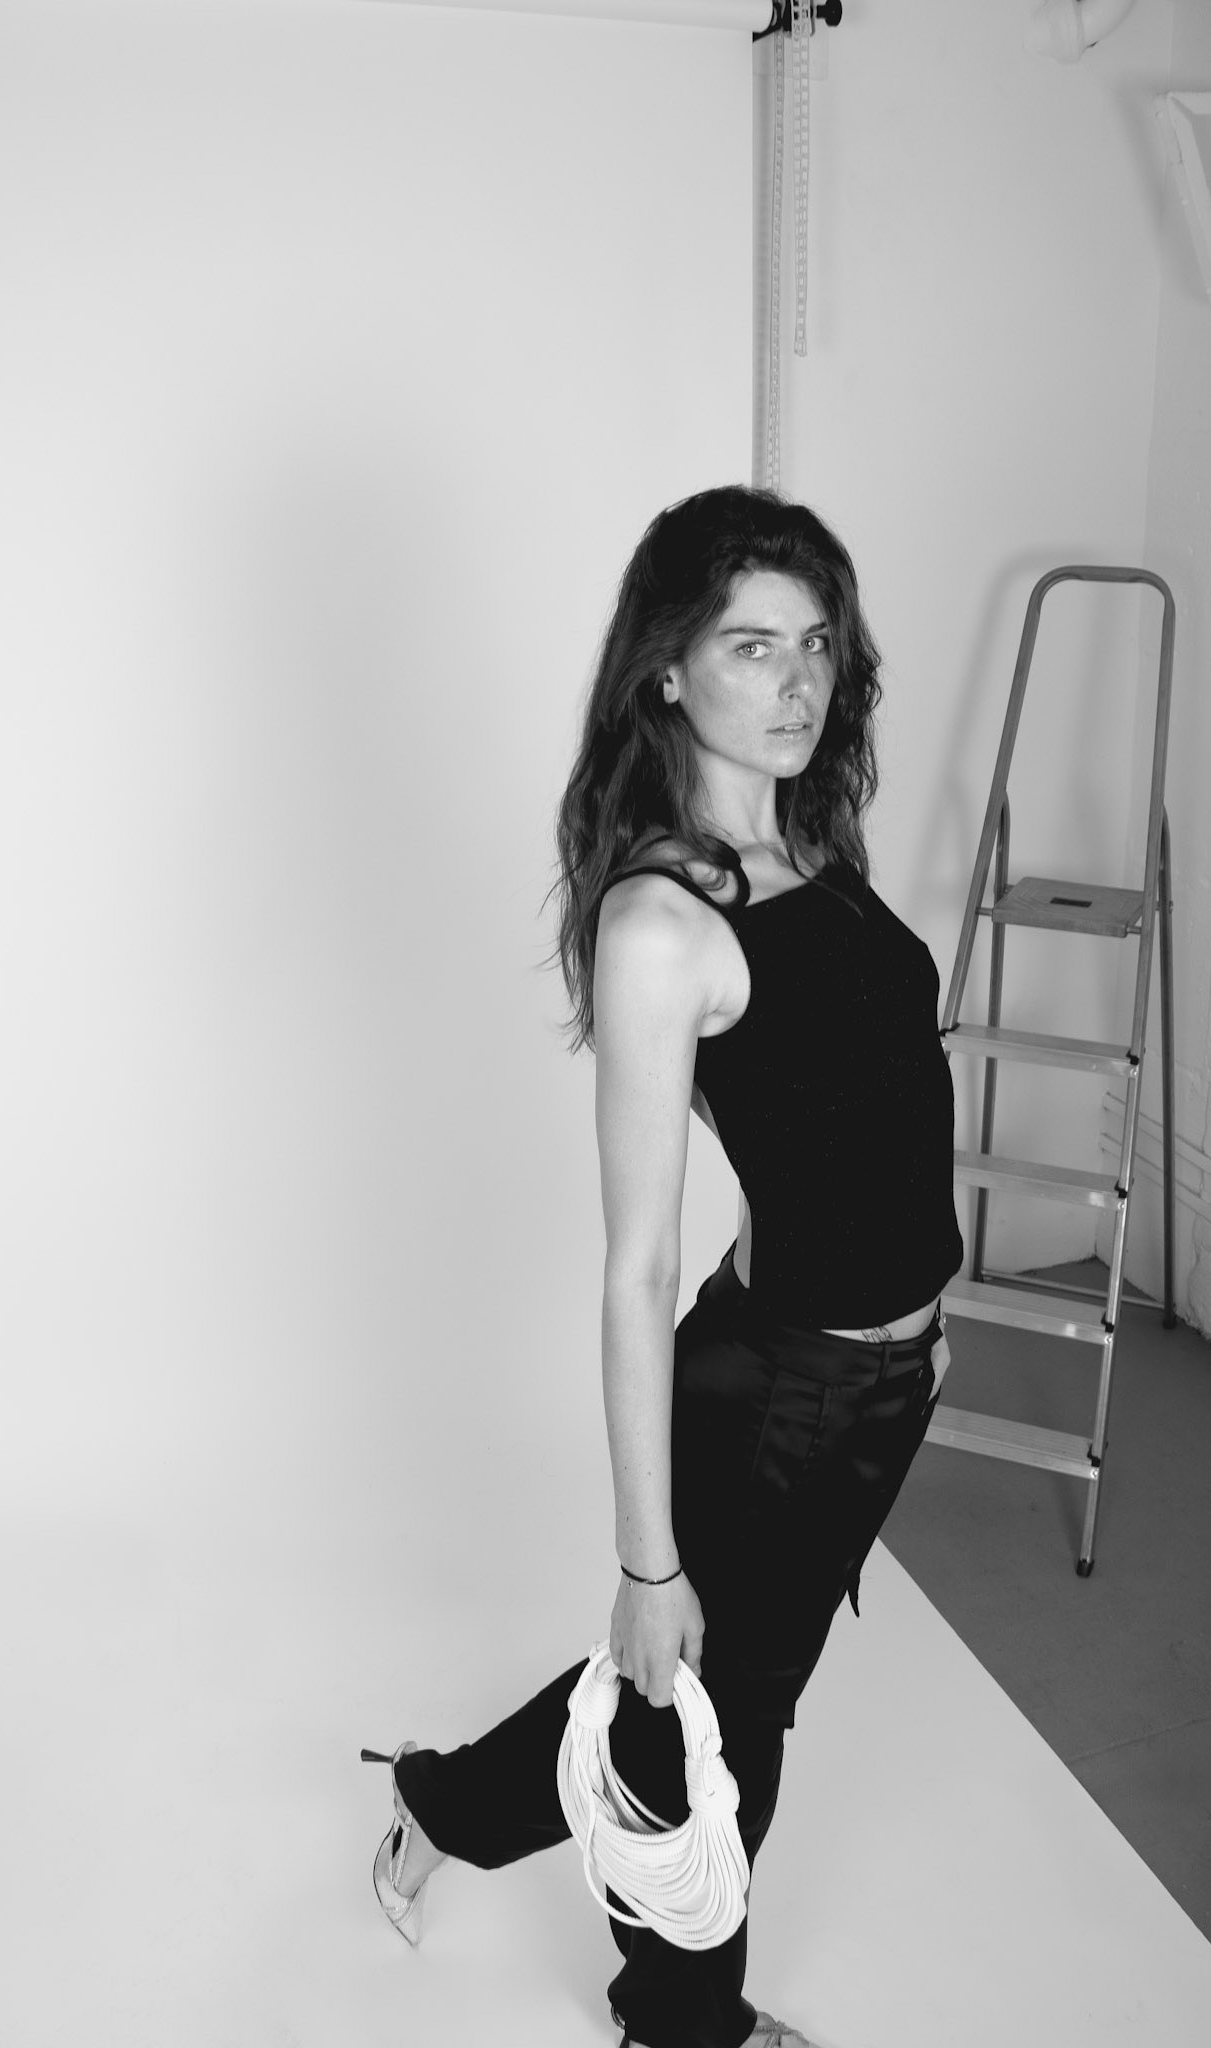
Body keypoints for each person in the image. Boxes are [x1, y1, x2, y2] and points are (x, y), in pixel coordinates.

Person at [361, 485, 964, 2048]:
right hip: (780, 1402)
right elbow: (633, 1271)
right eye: (750, 646)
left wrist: (920, 1333)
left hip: (879, 1385)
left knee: (694, 1690)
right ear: (667, 671)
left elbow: (865, 1118)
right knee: (713, 1713)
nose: (796, 679)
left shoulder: (806, 843)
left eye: (814, 642)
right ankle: (681, 2022)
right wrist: (645, 1566)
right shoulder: (661, 922)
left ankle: (444, 1804)